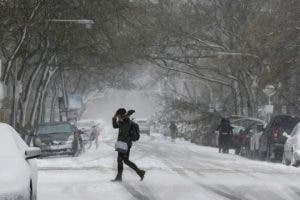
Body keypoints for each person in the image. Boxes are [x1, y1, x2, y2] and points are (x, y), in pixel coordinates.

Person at [112, 108, 145, 182]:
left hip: (125, 144)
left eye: (118, 116)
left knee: (121, 160)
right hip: (123, 144)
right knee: (125, 160)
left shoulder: (126, 122)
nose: (118, 118)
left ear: (121, 115)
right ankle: (140, 172)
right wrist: (114, 117)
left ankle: (119, 177)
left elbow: (123, 128)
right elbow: (114, 126)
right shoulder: (123, 121)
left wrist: (125, 116)